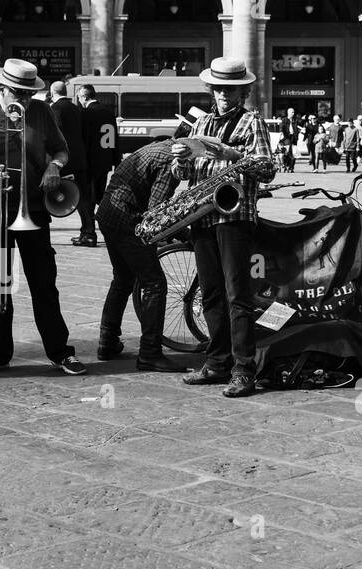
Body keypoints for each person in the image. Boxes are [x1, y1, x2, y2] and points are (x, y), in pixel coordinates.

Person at [0, 58, 86, 376]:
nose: (26, 100)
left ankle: (59, 351)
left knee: (44, 282)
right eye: (19, 93)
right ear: (0, 88)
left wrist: (55, 165)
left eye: (29, 94)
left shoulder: (41, 112)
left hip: (35, 210)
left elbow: (61, 150)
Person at [178, 57, 276, 398]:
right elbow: (182, 175)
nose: (223, 94)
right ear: (211, 89)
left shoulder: (252, 122)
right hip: (202, 215)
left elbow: (267, 169)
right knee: (212, 294)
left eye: (230, 89)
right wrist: (180, 160)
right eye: (218, 88)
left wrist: (235, 156)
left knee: (238, 296)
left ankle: (243, 369)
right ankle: (216, 362)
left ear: (242, 91)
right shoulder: (201, 122)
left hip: (234, 217)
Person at [95, 129, 194, 373]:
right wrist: (184, 232)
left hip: (109, 213)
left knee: (123, 279)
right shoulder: (171, 162)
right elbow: (155, 211)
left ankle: (107, 342)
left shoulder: (158, 147)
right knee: (154, 283)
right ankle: (150, 353)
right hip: (127, 218)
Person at [47, 81, 91, 248]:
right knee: (83, 197)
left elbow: (55, 135)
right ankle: (88, 232)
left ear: (52, 92)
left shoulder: (55, 109)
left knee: (49, 193)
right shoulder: (77, 108)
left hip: (63, 159)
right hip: (79, 158)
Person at [77, 82, 121, 236]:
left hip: (90, 162)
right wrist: (116, 160)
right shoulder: (108, 113)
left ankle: (89, 231)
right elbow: (114, 137)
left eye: (79, 98)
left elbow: (84, 139)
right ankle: (111, 223)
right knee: (100, 195)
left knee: (87, 198)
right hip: (105, 160)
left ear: (83, 97)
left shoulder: (85, 113)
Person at [279, 107, 300, 173]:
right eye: (292, 112)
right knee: (286, 153)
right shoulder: (284, 120)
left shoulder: (295, 120)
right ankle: (286, 166)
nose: (293, 113)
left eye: (294, 112)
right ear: (288, 113)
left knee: (294, 153)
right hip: (286, 138)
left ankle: (292, 167)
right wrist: (282, 135)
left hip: (293, 138)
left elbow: (298, 126)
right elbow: (281, 128)